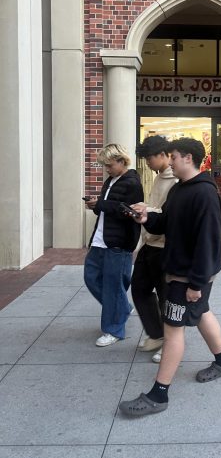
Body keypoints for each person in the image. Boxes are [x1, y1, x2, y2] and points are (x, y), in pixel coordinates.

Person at [119, 138, 221, 417]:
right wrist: (145, 219)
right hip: (183, 272)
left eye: (174, 156)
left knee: (172, 330)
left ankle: (159, 395)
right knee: (203, 312)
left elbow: (208, 242)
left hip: (188, 276)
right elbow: (167, 223)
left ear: (189, 158)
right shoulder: (180, 189)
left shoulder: (205, 193)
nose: (169, 161)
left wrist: (196, 283)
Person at [84, 143, 143, 346]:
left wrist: (100, 204)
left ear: (120, 161)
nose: (106, 169)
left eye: (109, 165)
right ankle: (121, 308)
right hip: (101, 239)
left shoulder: (133, 182)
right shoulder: (111, 180)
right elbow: (109, 209)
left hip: (118, 243)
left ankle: (114, 329)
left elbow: (129, 212)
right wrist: (96, 205)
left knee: (113, 287)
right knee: (91, 277)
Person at [132, 135, 177, 358]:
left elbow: (169, 215)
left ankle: (170, 342)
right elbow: (157, 208)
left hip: (164, 247)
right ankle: (156, 333)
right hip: (149, 242)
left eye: (149, 158)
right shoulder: (159, 176)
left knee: (166, 297)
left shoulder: (176, 180)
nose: (147, 163)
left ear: (163, 155)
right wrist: (146, 208)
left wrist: (146, 210)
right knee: (139, 289)